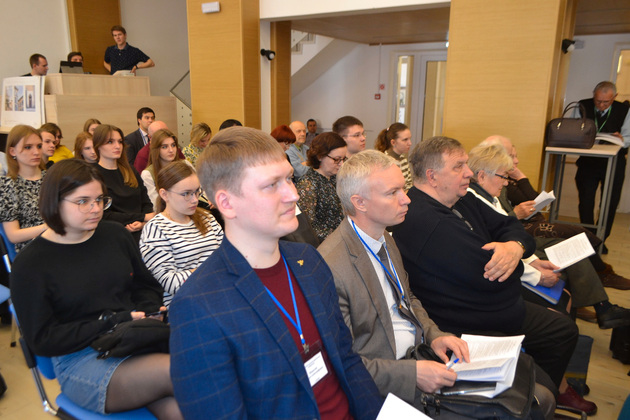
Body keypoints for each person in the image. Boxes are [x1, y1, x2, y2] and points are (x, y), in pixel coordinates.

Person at [169, 126, 383, 419]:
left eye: (289, 179)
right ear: (227, 203)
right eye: (271, 185)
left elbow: (346, 359)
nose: (292, 195)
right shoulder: (198, 305)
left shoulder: (309, 261)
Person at [392, 136, 578, 396]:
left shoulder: (462, 197)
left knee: (563, 328)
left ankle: (547, 392)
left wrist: (514, 247)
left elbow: (511, 226)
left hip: (495, 305)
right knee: (558, 342)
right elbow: (491, 274)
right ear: (432, 176)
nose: (469, 173)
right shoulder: (427, 220)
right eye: (458, 166)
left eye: (466, 164)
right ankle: (541, 395)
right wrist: (515, 261)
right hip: (469, 321)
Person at [10, 159, 182, 418]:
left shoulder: (115, 235)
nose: (96, 208)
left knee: (187, 405)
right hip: (80, 359)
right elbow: (43, 340)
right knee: (183, 371)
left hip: (133, 337)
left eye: (100, 199)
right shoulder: (31, 264)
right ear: (54, 202)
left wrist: (149, 311)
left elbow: (145, 285)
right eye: (83, 201)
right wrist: (111, 322)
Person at [318, 151, 481, 409]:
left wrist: (434, 335)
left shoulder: (385, 236)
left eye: (402, 189)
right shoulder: (330, 267)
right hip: (388, 385)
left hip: (418, 357)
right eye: (392, 193)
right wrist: (412, 374)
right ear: (360, 202)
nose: (406, 199)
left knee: (527, 393)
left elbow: (407, 298)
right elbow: (343, 363)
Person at [486, 135, 630, 293]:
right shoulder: (497, 181)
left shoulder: (509, 178)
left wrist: (521, 178)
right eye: (511, 156)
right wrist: (516, 212)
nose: (516, 161)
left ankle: (600, 274)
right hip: (523, 226)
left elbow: (535, 201)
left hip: (531, 222)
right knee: (575, 233)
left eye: (516, 156)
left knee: (574, 236)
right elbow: (522, 207)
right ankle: (602, 273)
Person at [140, 161, 223, 308]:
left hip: (221, 296)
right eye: (186, 194)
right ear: (164, 194)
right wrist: (214, 270)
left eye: (197, 191)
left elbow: (230, 259)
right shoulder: (156, 229)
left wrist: (193, 272)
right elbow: (172, 283)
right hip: (187, 305)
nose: (195, 199)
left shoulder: (207, 218)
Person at [575, 81, 630, 251]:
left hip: (614, 162)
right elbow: (574, 130)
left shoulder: (624, 110)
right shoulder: (582, 106)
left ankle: (600, 239)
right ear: (594, 95)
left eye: (606, 102)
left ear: (615, 97)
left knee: (609, 203)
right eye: (598, 101)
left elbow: (628, 137)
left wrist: (621, 139)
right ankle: (589, 237)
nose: (601, 105)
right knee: (586, 200)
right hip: (588, 161)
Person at [92, 124, 154, 242]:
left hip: (142, 231)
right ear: (98, 146)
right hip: (112, 234)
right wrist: (142, 217)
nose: (117, 146)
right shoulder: (93, 175)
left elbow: (146, 202)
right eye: (110, 142)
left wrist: (142, 223)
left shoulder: (130, 170)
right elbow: (104, 214)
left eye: (120, 142)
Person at [0, 125, 47, 252]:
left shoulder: (52, 178)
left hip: (62, 240)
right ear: (12, 151)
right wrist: (48, 228)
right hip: (32, 248)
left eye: (39, 146)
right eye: (28, 147)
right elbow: (13, 235)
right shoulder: (8, 185)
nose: (36, 152)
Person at [296, 133, 347, 243]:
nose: (341, 164)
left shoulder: (335, 177)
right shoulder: (308, 184)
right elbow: (308, 227)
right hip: (325, 244)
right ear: (320, 156)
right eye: (337, 159)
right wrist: (339, 238)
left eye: (343, 159)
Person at [141, 129, 187, 208]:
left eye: (173, 145)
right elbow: (155, 205)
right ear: (156, 150)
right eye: (164, 147)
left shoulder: (185, 164)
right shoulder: (147, 174)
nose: (171, 150)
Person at [375, 123, 413, 191]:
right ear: (393, 142)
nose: (410, 143)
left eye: (410, 139)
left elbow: (408, 185)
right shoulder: (384, 162)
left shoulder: (403, 160)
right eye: (405, 140)